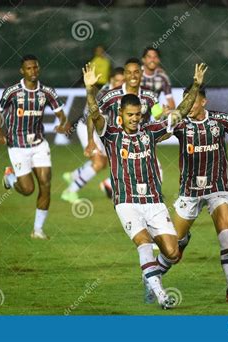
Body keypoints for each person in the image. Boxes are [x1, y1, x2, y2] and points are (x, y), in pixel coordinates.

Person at [83, 62, 207, 308]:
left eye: (138, 115)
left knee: (173, 253)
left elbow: (180, 112)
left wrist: (195, 85)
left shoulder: (150, 132)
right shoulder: (111, 135)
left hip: (154, 202)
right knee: (144, 243)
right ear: (121, 115)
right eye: (129, 115)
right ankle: (162, 295)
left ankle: (150, 275)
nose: (134, 119)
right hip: (126, 202)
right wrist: (90, 91)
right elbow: (95, 115)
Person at [153, 85, 228, 302]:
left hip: (217, 188)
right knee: (172, 248)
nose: (188, 105)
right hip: (189, 192)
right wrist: (163, 120)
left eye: (192, 100)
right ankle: (152, 280)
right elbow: (158, 138)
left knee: (225, 232)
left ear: (204, 101)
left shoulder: (221, 120)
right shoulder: (180, 123)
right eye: (185, 100)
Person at [0, 55, 68, 240]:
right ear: (22, 71)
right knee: (28, 189)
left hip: (39, 144)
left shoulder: (47, 92)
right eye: (28, 68)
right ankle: (10, 178)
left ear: (39, 68)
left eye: (35, 67)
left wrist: (63, 124)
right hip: (17, 146)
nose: (32, 71)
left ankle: (38, 230)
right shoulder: (12, 91)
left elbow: (61, 114)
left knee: (46, 184)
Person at [85, 57, 163, 198]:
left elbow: (158, 115)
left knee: (155, 171)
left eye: (136, 72)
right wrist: (91, 140)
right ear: (125, 74)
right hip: (120, 144)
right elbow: (93, 114)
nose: (132, 76)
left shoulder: (150, 95)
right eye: (129, 72)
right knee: (144, 175)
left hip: (142, 144)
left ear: (141, 73)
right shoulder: (111, 95)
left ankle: (142, 198)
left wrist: (165, 114)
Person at [61, 67, 124, 203]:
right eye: (117, 80)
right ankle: (69, 191)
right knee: (98, 162)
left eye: (122, 80)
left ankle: (74, 175)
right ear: (111, 80)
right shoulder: (104, 93)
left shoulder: (121, 93)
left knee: (104, 163)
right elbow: (91, 116)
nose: (120, 83)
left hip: (101, 130)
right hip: (88, 128)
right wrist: (91, 141)